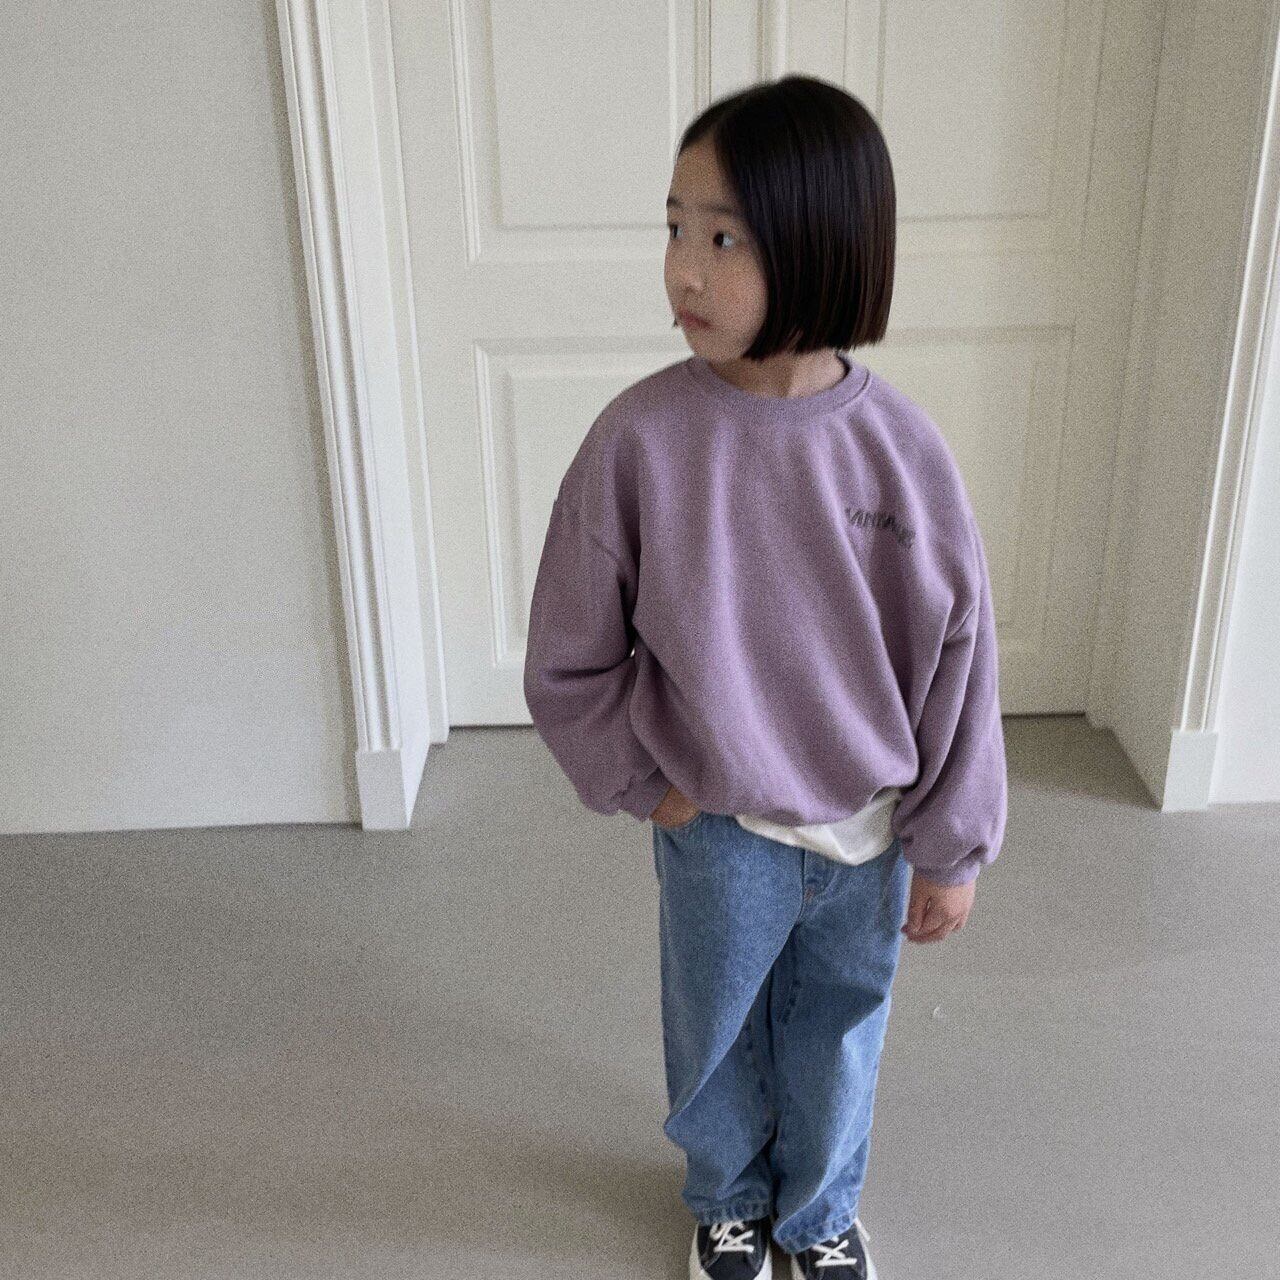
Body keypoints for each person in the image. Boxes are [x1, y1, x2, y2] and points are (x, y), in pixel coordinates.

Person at [522, 74, 1008, 1280]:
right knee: (714, 1029)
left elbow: (958, 658)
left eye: (723, 238)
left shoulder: (901, 453)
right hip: (718, 827)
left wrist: (949, 843)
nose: (683, 270)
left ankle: (818, 1209)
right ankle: (727, 1197)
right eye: (673, 228)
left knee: (839, 1029)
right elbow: (568, 652)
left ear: (821, 242)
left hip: (867, 828)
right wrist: (650, 784)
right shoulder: (638, 440)